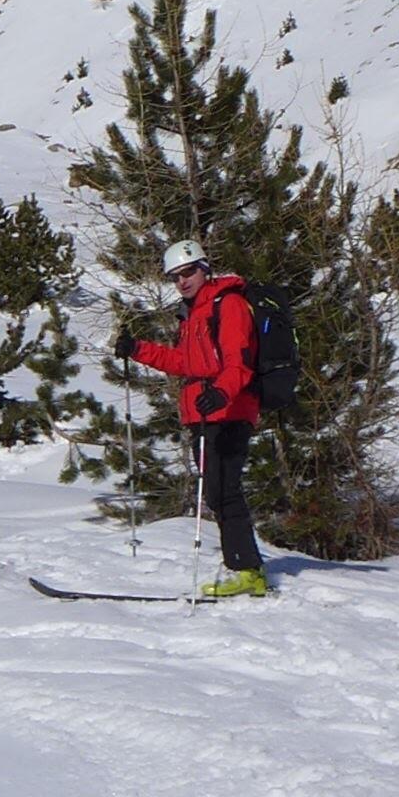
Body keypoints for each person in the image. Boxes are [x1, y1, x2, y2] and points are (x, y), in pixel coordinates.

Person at [126, 239, 269, 582]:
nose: (182, 281)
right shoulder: (193, 314)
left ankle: (247, 570)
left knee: (224, 490)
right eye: (175, 277)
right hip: (203, 413)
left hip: (230, 410)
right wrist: (138, 349)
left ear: (205, 269)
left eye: (188, 272)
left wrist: (221, 393)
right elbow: (185, 363)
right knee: (217, 492)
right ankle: (241, 566)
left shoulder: (228, 304)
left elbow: (239, 361)